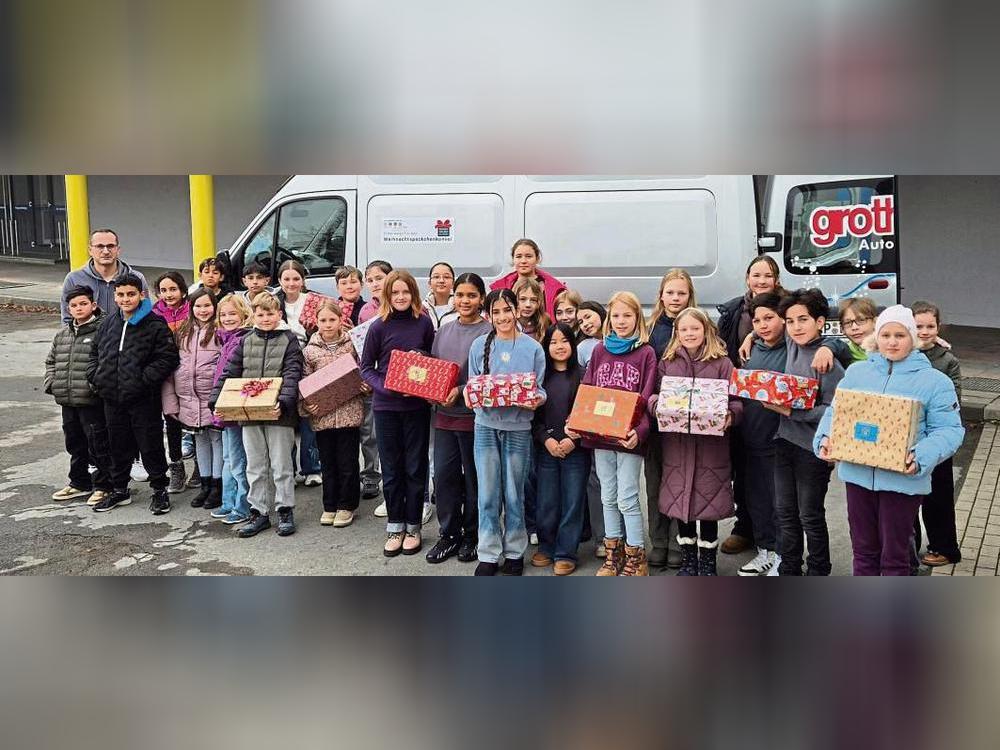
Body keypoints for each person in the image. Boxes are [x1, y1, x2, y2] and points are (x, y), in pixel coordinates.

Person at [816, 305, 964, 576]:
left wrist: (921, 456)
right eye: (886, 335)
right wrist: (825, 439)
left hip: (901, 480)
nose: (892, 342)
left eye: (900, 335)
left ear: (913, 338)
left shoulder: (934, 381)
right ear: (876, 337)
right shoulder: (857, 373)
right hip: (858, 476)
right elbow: (837, 412)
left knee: (895, 556)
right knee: (863, 552)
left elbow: (950, 430)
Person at [566, 291, 657, 577]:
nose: (621, 321)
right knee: (607, 495)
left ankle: (636, 556)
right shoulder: (599, 350)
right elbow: (588, 391)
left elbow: (648, 396)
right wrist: (574, 422)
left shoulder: (646, 353)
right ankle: (613, 554)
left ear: (637, 318)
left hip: (628, 437)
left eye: (627, 315)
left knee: (628, 496)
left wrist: (640, 432)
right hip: (599, 436)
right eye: (616, 315)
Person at [649, 308, 742, 576]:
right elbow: (653, 395)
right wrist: (658, 405)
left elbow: (737, 402)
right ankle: (689, 561)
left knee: (707, 509)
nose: (690, 334)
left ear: (706, 331)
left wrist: (730, 415)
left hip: (710, 451)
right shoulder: (667, 362)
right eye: (684, 330)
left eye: (695, 329)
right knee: (682, 508)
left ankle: (707, 562)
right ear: (677, 334)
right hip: (677, 448)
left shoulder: (722, 364)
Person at [209, 292, 304, 538]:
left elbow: (293, 374)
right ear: (253, 315)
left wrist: (283, 402)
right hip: (249, 413)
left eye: (270, 313)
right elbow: (231, 371)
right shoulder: (245, 340)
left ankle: (285, 509)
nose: (265, 318)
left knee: (282, 465)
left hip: (278, 414)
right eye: (260, 314)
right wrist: (216, 399)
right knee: (255, 465)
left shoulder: (289, 340)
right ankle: (258, 511)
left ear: (279, 315)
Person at [466, 289, 547, 576]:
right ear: (489, 314)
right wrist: (468, 393)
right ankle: (488, 552)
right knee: (487, 493)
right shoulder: (478, 346)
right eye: (496, 311)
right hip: (486, 427)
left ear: (516, 311)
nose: (502, 316)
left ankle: (514, 551)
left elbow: (539, 388)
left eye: (507, 309)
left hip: (518, 429)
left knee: (514, 493)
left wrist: (538, 398)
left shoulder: (533, 348)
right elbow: (472, 384)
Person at [87, 274, 179, 514]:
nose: (125, 299)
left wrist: (143, 380)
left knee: (150, 444)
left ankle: (159, 489)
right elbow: (95, 353)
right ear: (114, 296)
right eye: (120, 294)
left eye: (131, 294)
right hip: (112, 398)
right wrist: (96, 377)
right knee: (117, 444)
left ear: (141, 295)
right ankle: (119, 490)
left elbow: (167, 357)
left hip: (143, 399)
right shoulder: (108, 323)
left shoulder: (155, 323)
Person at [360, 270, 436, 557]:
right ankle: (395, 525)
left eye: (406, 292)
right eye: (395, 293)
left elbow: (433, 360)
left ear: (413, 295)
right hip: (387, 407)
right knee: (391, 468)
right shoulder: (378, 327)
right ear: (387, 296)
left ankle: (413, 525)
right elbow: (366, 367)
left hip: (416, 406)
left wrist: (424, 361)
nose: (401, 297)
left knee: (415, 466)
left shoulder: (424, 324)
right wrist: (387, 388)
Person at [771, 288, 845, 576]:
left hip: (813, 448)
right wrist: (752, 335)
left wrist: (793, 412)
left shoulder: (828, 363)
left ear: (820, 322)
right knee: (785, 513)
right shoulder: (791, 343)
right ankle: (789, 568)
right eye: (790, 321)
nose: (796, 326)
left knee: (809, 515)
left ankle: (818, 570)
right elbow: (775, 299)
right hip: (784, 442)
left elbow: (836, 412)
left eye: (803, 319)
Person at [717, 258, 784, 557]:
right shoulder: (732, 310)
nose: (761, 280)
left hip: (773, 402)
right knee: (742, 468)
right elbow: (720, 349)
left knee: (771, 476)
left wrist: (753, 335)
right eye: (756, 275)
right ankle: (745, 527)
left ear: (776, 279)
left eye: (767, 275)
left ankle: (774, 540)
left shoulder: (787, 306)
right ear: (747, 278)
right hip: (738, 396)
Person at [426, 273, 492, 564]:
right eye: (460, 295)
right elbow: (433, 368)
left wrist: (462, 390)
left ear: (481, 298)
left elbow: (490, 376)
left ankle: (473, 535)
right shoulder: (444, 329)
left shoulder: (488, 332)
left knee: (474, 480)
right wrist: (429, 390)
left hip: (474, 417)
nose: (465, 301)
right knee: (444, 477)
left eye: (472, 296)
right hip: (443, 416)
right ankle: (448, 534)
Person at [645, 269, 697, 569]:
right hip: (654, 418)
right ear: (661, 295)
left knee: (679, 482)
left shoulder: (696, 327)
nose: (676, 298)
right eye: (671, 292)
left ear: (689, 296)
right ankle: (659, 541)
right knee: (655, 482)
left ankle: (681, 541)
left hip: (686, 422)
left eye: (681, 293)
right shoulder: (650, 330)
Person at [301, 300, 369, 528]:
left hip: (349, 414)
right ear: (316, 322)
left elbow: (365, 372)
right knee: (328, 463)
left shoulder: (353, 346)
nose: (328, 325)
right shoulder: (309, 351)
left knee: (348, 462)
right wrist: (306, 403)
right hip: (323, 417)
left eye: (332, 320)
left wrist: (364, 385)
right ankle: (329, 505)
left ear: (341, 320)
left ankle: (346, 505)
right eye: (323, 320)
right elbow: (304, 383)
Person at [45, 286, 113, 507]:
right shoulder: (62, 335)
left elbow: (107, 363)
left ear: (93, 305)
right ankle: (79, 482)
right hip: (67, 400)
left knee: (98, 443)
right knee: (74, 443)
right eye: (73, 305)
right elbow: (51, 362)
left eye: (83, 304)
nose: (78, 308)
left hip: (91, 401)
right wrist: (52, 384)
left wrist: (95, 387)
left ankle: (104, 485)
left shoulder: (102, 330)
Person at [735, 293, 787, 576]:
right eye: (757, 320)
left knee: (781, 503)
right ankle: (765, 551)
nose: (763, 325)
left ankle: (784, 555)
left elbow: (830, 343)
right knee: (757, 499)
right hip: (750, 437)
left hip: (779, 439)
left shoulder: (793, 346)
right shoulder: (752, 347)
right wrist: (751, 335)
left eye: (769, 318)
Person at [532, 323, 589, 575]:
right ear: (546, 346)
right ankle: (546, 546)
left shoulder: (584, 375)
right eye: (553, 342)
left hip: (575, 449)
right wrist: (547, 440)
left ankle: (566, 552)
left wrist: (572, 439)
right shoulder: (540, 376)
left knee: (573, 500)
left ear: (572, 344)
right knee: (547, 500)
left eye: (564, 341)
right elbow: (534, 418)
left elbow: (589, 412)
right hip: (547, 448)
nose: (559, 346)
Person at [912, 301, 964, 567]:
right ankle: (911, 548)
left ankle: (945, 548)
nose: (924, 331)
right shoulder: (903, 352)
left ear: (938, 327)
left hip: (937, 438)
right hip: (909, 439)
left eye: (930, 326)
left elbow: (954, 397)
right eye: (918, 326)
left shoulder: (947, 359)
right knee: (907, 500)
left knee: (938, 499)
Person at [161, 289, 223, 511]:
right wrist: (171, 402)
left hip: (211, 399)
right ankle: (205, 484)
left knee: (217, 441)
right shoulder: (182, 333)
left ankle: (218, 485)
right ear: (191, 308)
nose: (203, 310)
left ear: (214, 307)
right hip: (188, 399)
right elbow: (170, 369)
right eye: (198, 306)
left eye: (207, 305)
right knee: (200, 442)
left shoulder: (220, 332)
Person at [274, 259, 324, 486]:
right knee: (287, 418)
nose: (291, 283)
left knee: (308, 416)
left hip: (309, 363)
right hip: (283, 365)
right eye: (287, 279)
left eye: (296, 278)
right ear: (279, 281)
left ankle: (312, 468)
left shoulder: (313, 301)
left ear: (303, 280)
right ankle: (290, 469)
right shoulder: (274, 302)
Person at [208, 294, 253, 525]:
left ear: (244, 314)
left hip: (234, 409)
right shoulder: (226, 340)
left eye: (232, 313)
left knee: (238, 460)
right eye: (223, 314)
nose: (227, 318)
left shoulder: (242, 340)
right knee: (228, 458)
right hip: (223, 408)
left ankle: (242, 505)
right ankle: (228, 502)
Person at [151, 271, 192, 492]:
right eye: (164, 290)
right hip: (166, 376)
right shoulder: (154, 315)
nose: (168, 294)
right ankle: (176, 466)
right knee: (172, 420)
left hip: (190, 373)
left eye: (173, 289)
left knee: (196, 422)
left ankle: (201, 469)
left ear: (183, 290)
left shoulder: (193, 311)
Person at [60, 228, 148, 324]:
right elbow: (67, 319)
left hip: (126, 337)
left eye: (110, 246)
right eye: (100, 246)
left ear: (118, 250)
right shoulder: (74, 279)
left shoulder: (137, 278)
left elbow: (145, 312)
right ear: (90, 250)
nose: (106, 251)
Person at [359, 260, 391, 510]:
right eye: (370, 279)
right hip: (376, 382)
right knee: (372, 433)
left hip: (400, 384)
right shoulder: (366, 311)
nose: (375, 283)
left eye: (379, 278)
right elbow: (364, 353)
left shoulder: (408, 307)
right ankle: (372, 476)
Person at [490, 238, 567, 320]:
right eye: (519, 256)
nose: (523, 261)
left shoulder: (554, 287)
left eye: (528, 256)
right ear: (513, 259)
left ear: (537, 258)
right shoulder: (501, 286)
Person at [513, 275, 551, 343]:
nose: (528, 305)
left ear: (538, 303)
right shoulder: (507, 323)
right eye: (522, 299)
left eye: (533, 300)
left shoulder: (545, 323)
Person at [425, 262, 458, 329]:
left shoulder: (460, 307)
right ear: (429, 283)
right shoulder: (422, 309)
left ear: (453, 283)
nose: (441, 281)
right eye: (436, 277)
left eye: (446, 277)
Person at [575, 300, 606, 369]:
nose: (585, 324)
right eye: (581, 322)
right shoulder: (582, 347)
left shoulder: (620, 338)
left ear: (600, 313)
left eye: (588, 317)